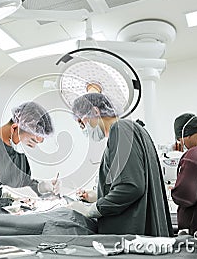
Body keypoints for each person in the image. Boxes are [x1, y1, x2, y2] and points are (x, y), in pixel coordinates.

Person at [67, 93, 173, 236]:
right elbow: (130, 180)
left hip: (132, 233)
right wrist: (97, 195)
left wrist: (91, 210)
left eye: (81, 122)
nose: (82, 128)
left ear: (95, 112)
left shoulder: (120, 129)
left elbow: (130, 187)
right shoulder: (133, 129)